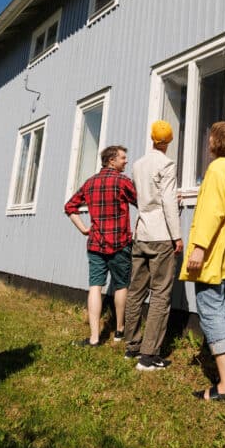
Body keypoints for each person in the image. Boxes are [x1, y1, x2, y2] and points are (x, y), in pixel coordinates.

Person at [181, 121, 225, 402]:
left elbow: (212, 211)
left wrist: (199, 248)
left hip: (216, 248)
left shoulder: (218, 168)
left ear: (216, 142)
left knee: (210, 308)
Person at [123, 121, 183, 371]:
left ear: (151, 138)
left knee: (136, 289)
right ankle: (149, 356)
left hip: (142, 231)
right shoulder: (166, 164)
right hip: (160, 234)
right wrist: (177, 236)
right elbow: (168, 201)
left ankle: (132, 345)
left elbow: (143, 197)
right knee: (160, 293)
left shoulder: (137, 164)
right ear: (168, 141)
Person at [65, 145, 137, 346]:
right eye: (123, 158)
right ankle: (120, 329)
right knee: (121, 285)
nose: (126, 161)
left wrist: (83, 229)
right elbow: (143, 202)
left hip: (95, 243)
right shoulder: (123, 181)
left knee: (95, 286)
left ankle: (95, 337)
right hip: (120, 243)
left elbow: (69, 207)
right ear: (111, 160)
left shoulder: (90, 183)